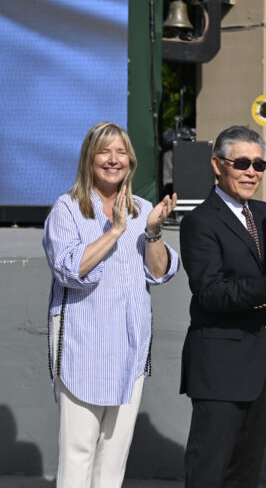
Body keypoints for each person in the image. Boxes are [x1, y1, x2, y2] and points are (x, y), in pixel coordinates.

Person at [179, 125, 266, 487]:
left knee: (245, 473)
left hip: (261, 362)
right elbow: (211, 292)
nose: (251, 172)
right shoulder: (200, 221)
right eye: (241, 163)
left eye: (259, 164)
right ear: (217, 165)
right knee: (210, 470)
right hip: (220, 367)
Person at [43, 121, 180, 487]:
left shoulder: (142, 209)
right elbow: (69, 269)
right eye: (105, 151)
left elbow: (160, 272)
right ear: (90, 158)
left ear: (131, 162)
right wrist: (116, 230)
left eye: (121, 152)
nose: (113, 160)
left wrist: (151, 231)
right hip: (81, 348)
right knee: (78, 454)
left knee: (114, 457)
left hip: (129, 350)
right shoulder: (67, 209)